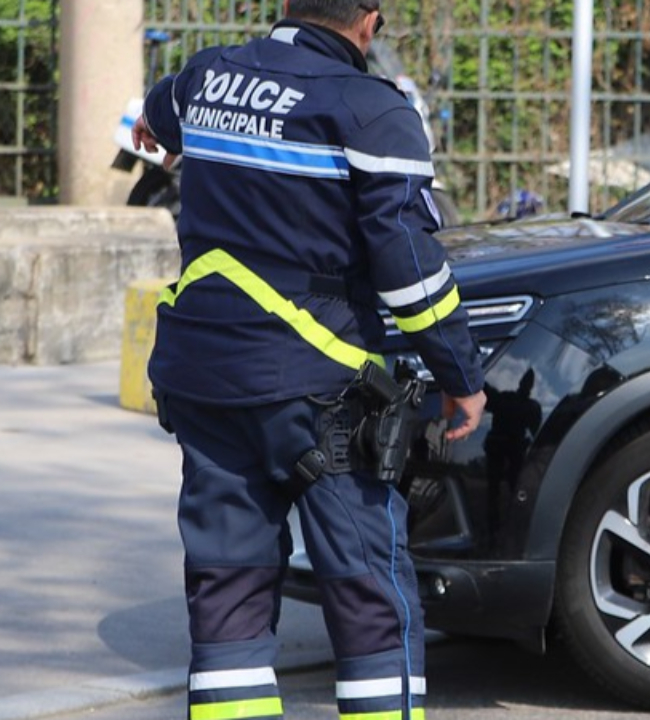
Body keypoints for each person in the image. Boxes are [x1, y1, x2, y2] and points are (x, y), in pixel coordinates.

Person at [132, 2, 487, 719]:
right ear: (370, 21)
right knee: (370, 598)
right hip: (321, 394)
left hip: (206, 380)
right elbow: (410, 270)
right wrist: (462, 378)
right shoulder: (368, 110)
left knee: (226, 588)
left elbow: (153, 120)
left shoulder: (208, 75)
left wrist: (171, 139)